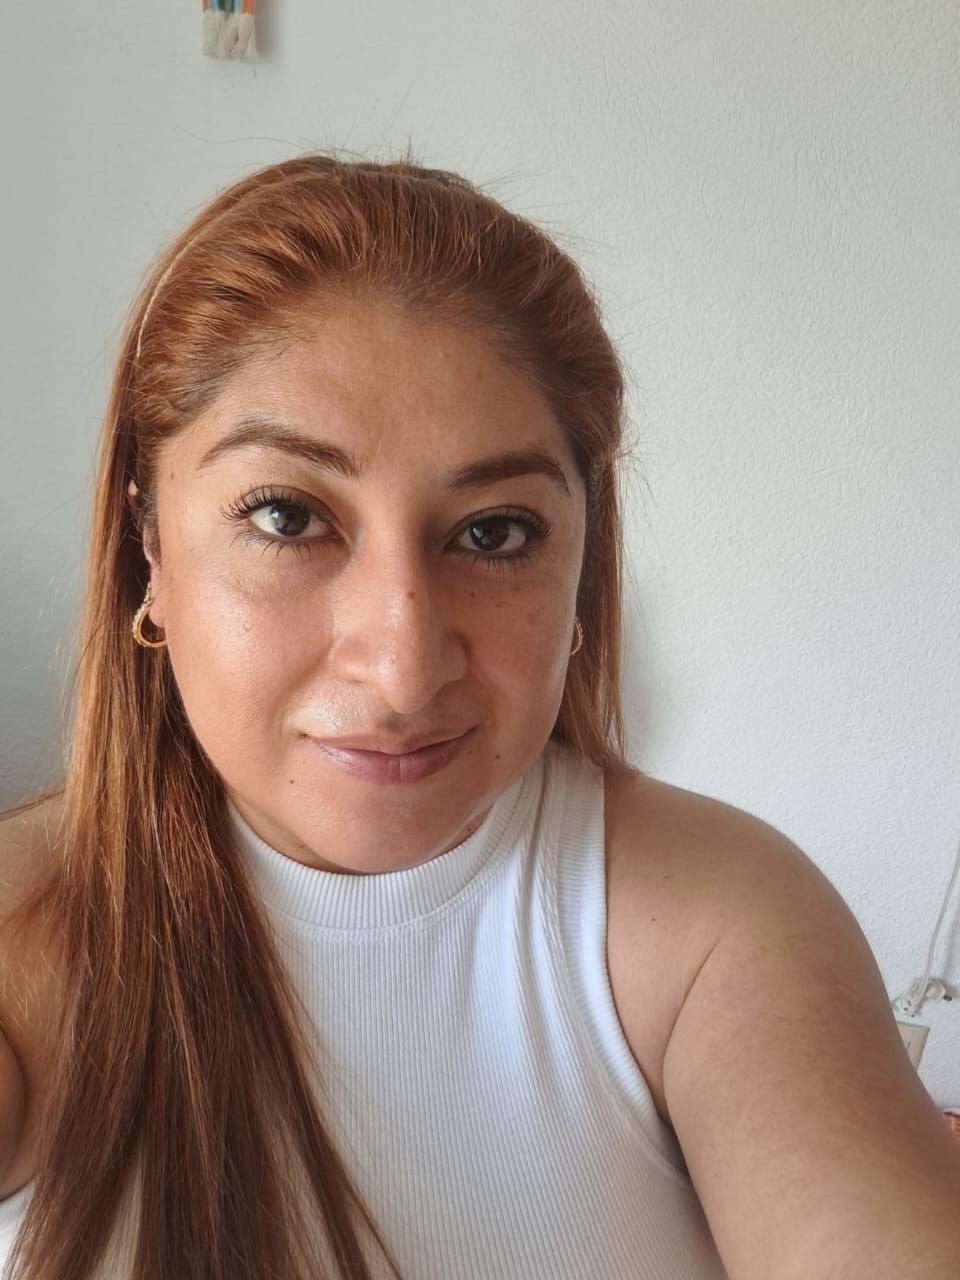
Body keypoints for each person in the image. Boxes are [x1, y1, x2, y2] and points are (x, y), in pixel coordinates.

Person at [0, 151, 958, 1280]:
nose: (404, 670)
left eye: (493, 532)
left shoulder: (714, 924)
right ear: (149, 549)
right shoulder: (24, 936)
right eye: (287, 516)